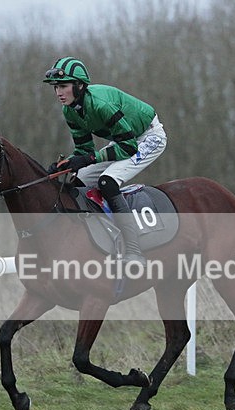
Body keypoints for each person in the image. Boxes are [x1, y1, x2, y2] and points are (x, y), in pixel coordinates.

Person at [43, 56, 167, 267]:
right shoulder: (69, 110)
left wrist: (89, 158)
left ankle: (134, 250)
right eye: (56, 87)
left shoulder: (101, 104)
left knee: (107, 181)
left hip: (148, 137)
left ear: (79, 86)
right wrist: (66, 165)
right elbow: (84, 150)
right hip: (124, 139)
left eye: (63, 86)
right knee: (78, 181)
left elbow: (129, 147)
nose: (58, 93)